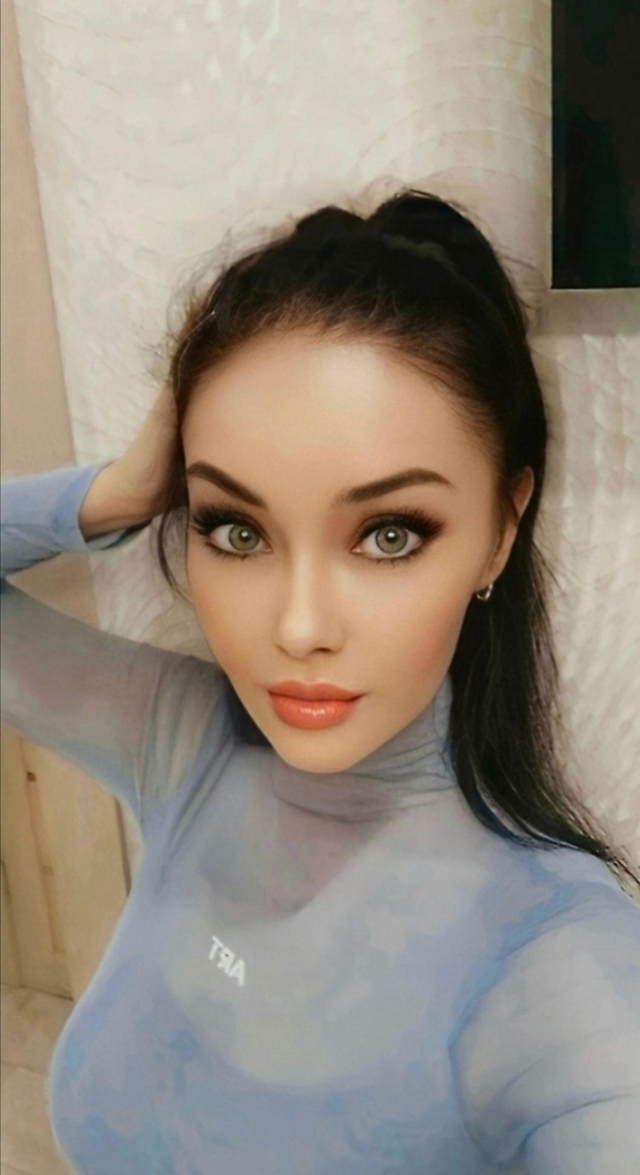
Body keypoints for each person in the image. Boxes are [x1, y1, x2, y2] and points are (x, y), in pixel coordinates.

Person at [2, 188, 639, 1174]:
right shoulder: (185, 743)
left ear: (500, 530)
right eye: (234, 528)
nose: (298, 627)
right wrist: (118, 490)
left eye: (388, 536)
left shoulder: (557, 967)